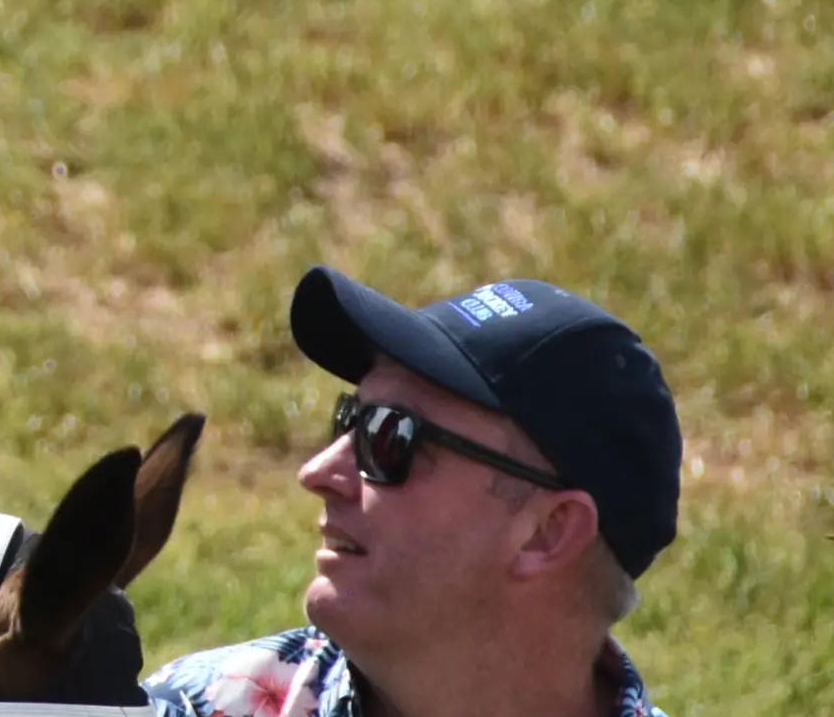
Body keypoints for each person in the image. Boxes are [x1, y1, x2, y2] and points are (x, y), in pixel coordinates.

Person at [146, 267, 683, 717]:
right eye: (348, 420)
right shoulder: (192, 707)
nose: (317, 472)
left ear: (547, 532)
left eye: (388, 435)